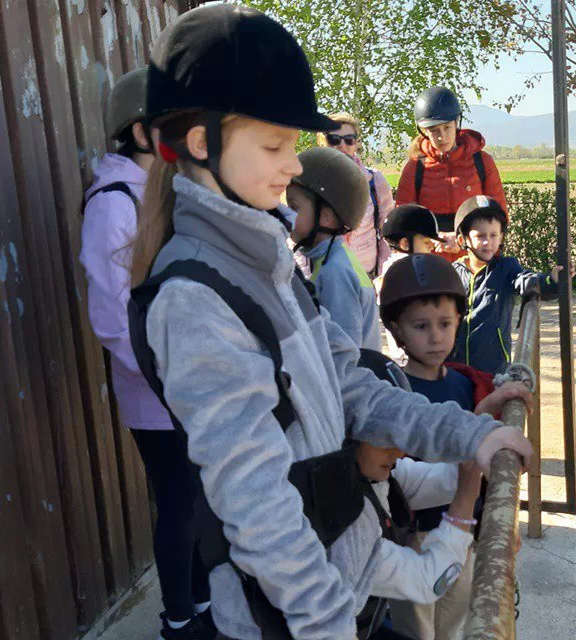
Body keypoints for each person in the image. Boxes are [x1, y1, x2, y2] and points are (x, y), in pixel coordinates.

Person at [127, 5, 533, 640]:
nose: (295, 166)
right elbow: (257, 505)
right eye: (275, 145)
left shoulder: (270, 265)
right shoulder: (195, 300)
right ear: (201, 144)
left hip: (345, 581)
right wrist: (325, 622)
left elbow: (351, 383)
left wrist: (468, 436)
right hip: (298, 616)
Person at [80, 67, 214, 640]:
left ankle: (205, 606)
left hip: (189, 380)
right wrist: (164, 374)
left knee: (200, 500)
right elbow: (111, 317)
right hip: (156, 389)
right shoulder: (113, 203)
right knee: (179, 504)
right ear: (139, 131)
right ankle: (179, 621)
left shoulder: (164, 191)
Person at [378, 254, 535, 640]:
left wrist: (492, 402)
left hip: (463, 532)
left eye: (445, 324)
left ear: (459, 322)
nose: (435, 337)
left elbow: (469, 440)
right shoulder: (392, 395)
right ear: (397, 330)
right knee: (416, 630)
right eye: (421, 326)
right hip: (414, 538)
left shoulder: (466, 383)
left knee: (454, 623)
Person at [352, 349, 482, 640]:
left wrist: (483, 425)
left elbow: (445, 480)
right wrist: (465, 502)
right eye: (385, 438)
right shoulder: (340, 519)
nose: (400, 451)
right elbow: (428, 583)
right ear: (347, 433)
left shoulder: (373, 476)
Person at [451, 195, 569, 375]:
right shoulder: (453, 273)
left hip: (493, 368)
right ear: (463, 240)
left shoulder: (506, 268)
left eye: (493, 235)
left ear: (501, 238)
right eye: (480, 236)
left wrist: (550, 280)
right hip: (456, 368)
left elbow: (525, 281)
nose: (487, 242)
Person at [395, 86, 507, 261]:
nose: (442, 136)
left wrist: (462, 240)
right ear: (424, 131)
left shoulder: (482, 162)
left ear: (457, 124)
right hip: (431, 263)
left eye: (447, 127)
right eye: (434, 130)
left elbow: (498, 216)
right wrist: (429, 237)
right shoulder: (415, 167)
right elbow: (403, 221)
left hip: (474, 262)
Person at [286, 146, 381, 350]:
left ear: (326, 217)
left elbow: (343, 350)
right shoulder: (334, 259)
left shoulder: (335, 271)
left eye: (294, 207)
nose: (287, 214)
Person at [316, 112, 393, 278]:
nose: (342, 145)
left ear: (356, 143)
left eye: (349, 139)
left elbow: (388, 233)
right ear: (323, 143)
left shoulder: (375, 182)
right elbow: (298, 237)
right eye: (334, 139)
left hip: (367, 274)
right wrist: (308, 279)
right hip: (326, 276)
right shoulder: (310, 182)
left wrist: (383, 274)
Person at [374, 204, 444, 362]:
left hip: (403, 357)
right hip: (415, 357)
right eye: (426, 242)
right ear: (405, 244)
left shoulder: (390, 269)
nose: (431, 247)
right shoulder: (411, 272)